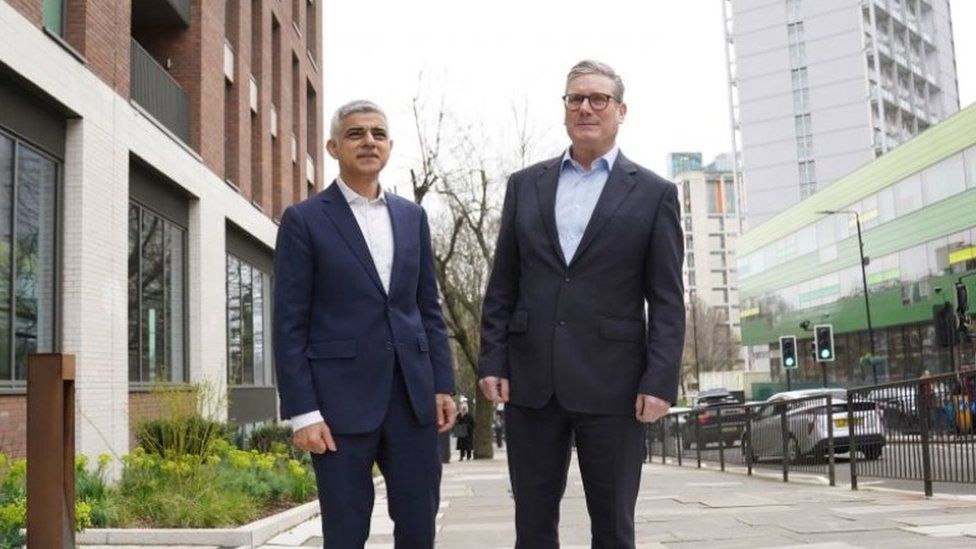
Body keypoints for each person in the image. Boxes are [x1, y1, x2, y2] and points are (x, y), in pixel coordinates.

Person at [478, 60, 685, 549]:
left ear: (621, 110)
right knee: (531, 526)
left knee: (613, 527)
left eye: (598, 99)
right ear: (565, 109)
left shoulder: (655, 194)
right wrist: (493, 357)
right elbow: (502, 283)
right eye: (575, 99)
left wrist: (660, 381)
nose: (586, 107)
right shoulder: (525, 184)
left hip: (615, 386)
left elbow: (668, 300)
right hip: (531, 383)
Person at [274, 100, 457, 548]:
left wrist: (443, 385)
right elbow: (289, 324)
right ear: (334, 146)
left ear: (390, 146)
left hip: (412, 400)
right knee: (345, 533)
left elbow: (427, 308)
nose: (368, 141)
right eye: (356, 134)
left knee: (419, 527)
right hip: (338, 407)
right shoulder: (304, 220)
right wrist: (304, 413)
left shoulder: (412, 217)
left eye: (377, 133)